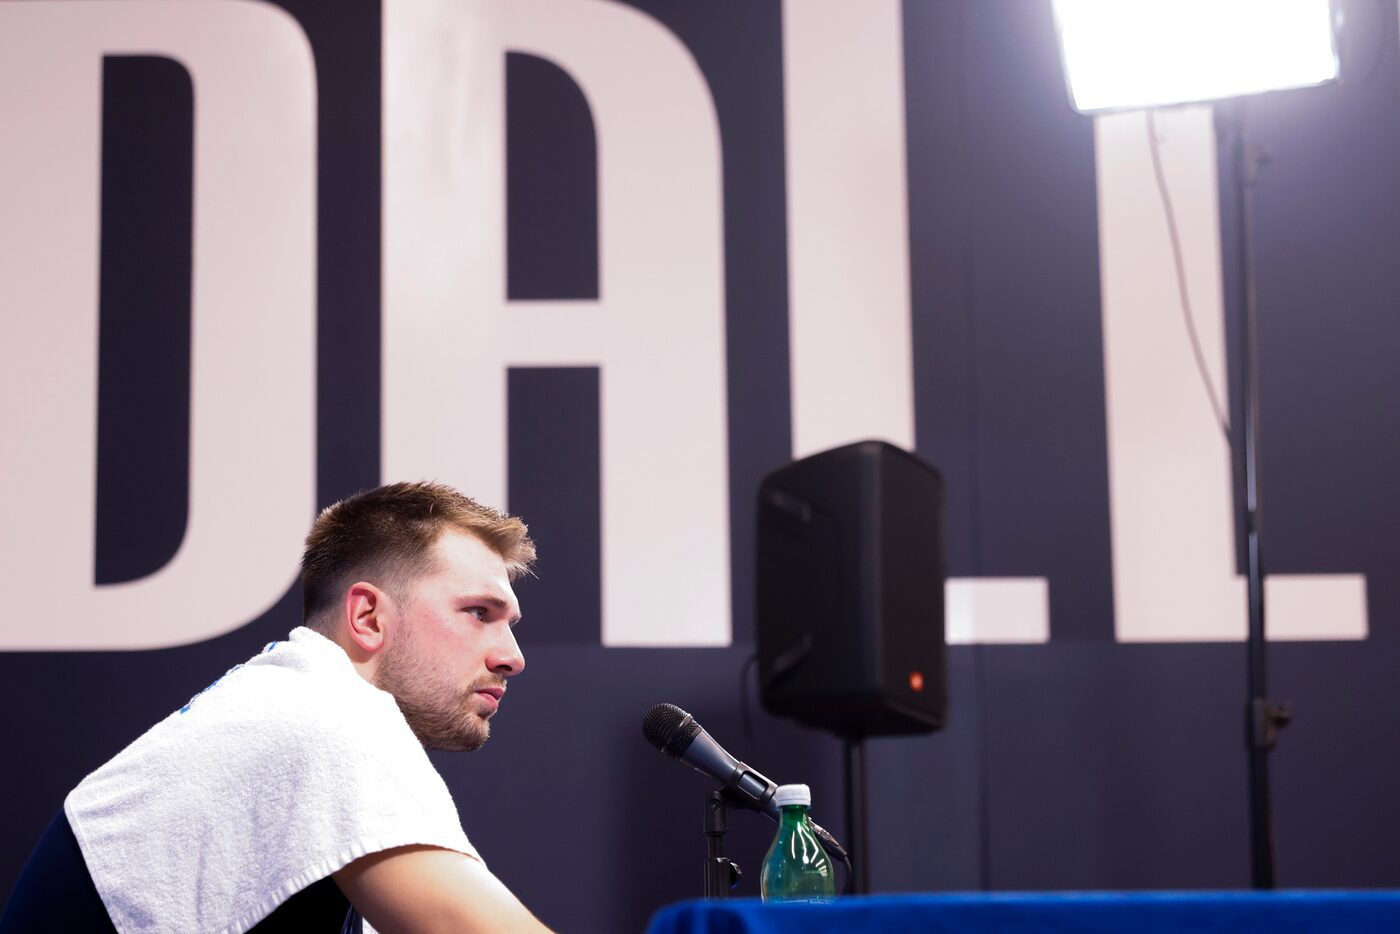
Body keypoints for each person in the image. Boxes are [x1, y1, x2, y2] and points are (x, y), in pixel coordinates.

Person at [0, 481, 554, 933]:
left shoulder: (280, 705)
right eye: (479, 612)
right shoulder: (328, 717)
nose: (513, 657)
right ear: (368, 618)